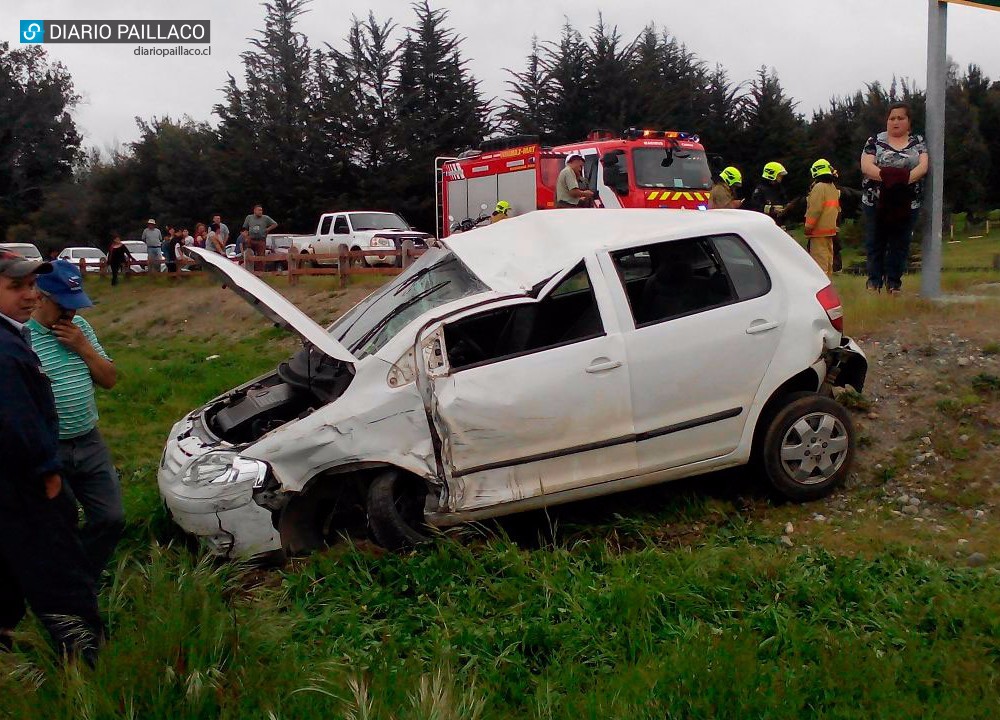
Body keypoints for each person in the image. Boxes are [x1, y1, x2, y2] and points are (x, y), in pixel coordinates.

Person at [0, 252, 103, 665]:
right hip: (24, 485)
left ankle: (4, 638)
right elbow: (16, 422)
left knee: (7, 564)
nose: (29, 296)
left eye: (31, 287)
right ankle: (86, 660)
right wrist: (47, 473)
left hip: (14, 483)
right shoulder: (5, 352)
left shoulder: (12, 334)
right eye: (16, 287)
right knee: (58, 571)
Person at [28, 261, 123, 583]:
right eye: (62, 306)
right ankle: (66, 584)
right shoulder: (22, 338)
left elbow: (109, 379)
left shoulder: (81, 330)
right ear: (40, 297)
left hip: (89, 440)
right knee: (59, 522)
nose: (69, 314)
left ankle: (83, 573)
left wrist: (82, 347)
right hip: (50, 446)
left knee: (111, 517)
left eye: (74, 306)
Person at [860, 102, 929, 294]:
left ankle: (894, 284)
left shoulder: (918, 141)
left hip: (907, 202)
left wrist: (903, 179)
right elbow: (866, 166)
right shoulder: (874, 140)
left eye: (900, 118)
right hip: (876, 202)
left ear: (909, 121)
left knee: (900, 243)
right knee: (875, 242)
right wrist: (890, 178)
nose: (896, 122)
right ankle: (874, 283)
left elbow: (923, 166)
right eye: (892, 118)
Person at [804, 159, 841, 277]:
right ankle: (829, 285)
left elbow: (815, 209)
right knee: (828, 260)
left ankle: (821, 286)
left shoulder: (818, 187)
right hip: (830, 230)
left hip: (818, 231)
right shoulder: (832, 187)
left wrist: (808, 226)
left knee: (819, 261)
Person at [242, 205, 277, 271]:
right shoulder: (249, 217)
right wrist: (246, 236)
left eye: (261, 210)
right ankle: (248, 271)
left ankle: (259, 273)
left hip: (261, 240)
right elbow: (244, 228)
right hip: (251, 239)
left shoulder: (265, 218)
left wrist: (267, 229)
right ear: (255, 211)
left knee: (261, 257)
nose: (261, 212)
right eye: (259, 210)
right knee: (248, 253)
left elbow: (275, 224)